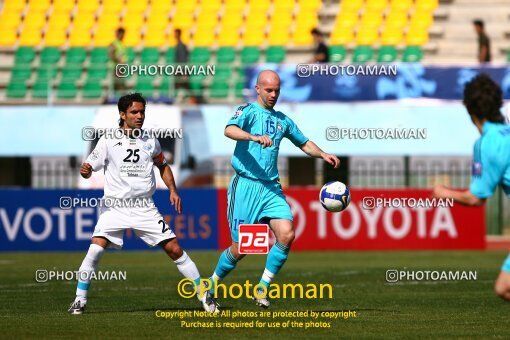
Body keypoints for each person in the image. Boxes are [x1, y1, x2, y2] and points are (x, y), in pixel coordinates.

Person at [68, 93, 218, 314]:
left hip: (144, 207)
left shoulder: (150, 139)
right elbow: (89, 167)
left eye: (142, 112)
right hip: (115, 206)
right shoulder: (108, 139)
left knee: (175, 249)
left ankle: (205, 295)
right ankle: (79, 300)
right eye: (134, 112)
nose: (140, 116)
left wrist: (173, 191)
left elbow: (163, 166)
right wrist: (86, 170)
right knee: (95, 250)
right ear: (122, 114)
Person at [207, 70, 340, 309]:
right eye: (268, 90)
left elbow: (304, 142)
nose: (273, 94)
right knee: (243, 248)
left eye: (277, 90)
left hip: (271, 188)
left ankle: (262, 289)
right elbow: (229, 130)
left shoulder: (282, 120)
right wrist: (253, 137)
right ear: (257, 89)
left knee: (287, 234)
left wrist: (322, 153)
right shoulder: (246, 111)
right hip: (246, 185)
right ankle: (210, 286)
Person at [432, 74, 510, 301]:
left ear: (470, 111)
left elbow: (476, 198)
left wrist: (442, 192)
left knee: (504, 288)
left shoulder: (485, 144)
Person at [109, 27, 128, 97]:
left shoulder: (121, 44)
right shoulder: (114, 44)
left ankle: (121, 98)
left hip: (121, 67)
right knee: (116, 84)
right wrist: (119, 60)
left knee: (121, 83)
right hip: (116, 67)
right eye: (121, 33)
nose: (123, 35)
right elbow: (111, 55)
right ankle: (113, 98)